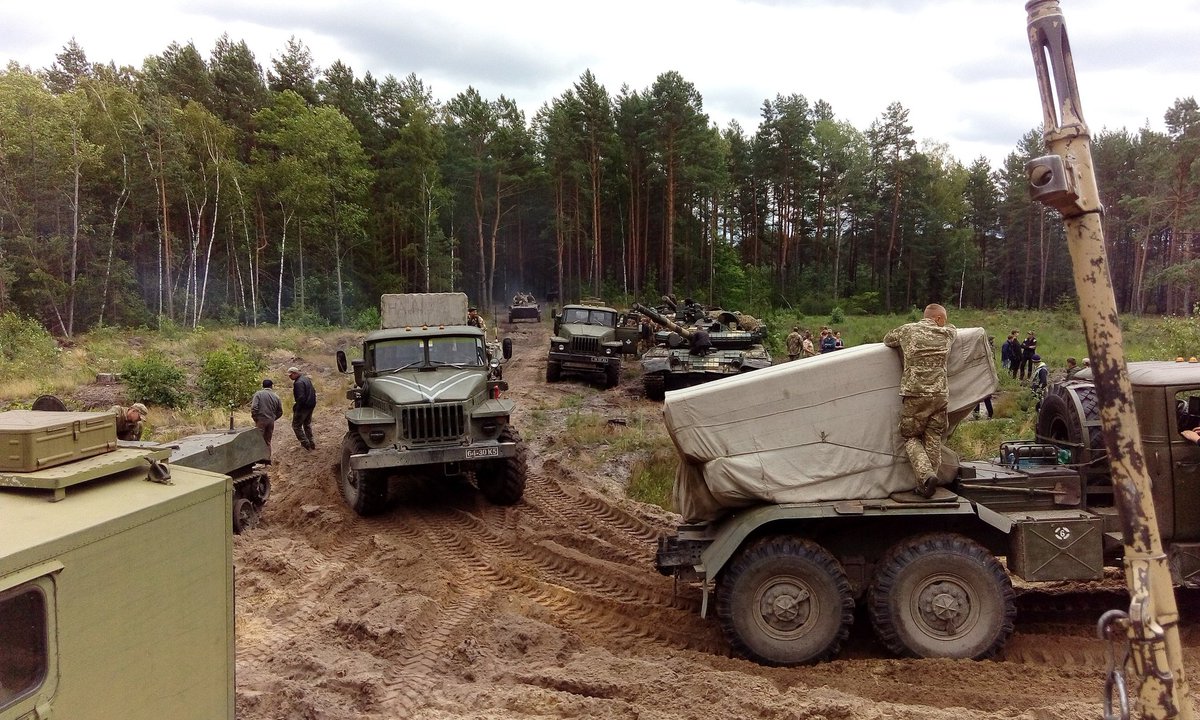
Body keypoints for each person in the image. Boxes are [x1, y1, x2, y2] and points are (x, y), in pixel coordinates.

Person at [884, 303, 957, 498]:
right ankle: (929, 483)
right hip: (940, 395)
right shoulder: (948, 334)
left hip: (916, 394)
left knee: (910, 436)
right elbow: (953, 329)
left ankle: (926, 476)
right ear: (940, 319)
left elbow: (887, 340)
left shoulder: (907, 330)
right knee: (933, 436)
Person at [250, 379, 284, 455]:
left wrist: (255, 418)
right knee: (268, 441)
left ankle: (257, 460)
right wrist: (273, 418)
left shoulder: (258, 394)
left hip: (261, 420)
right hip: (271, 420)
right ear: (271, 386)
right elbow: (280, 411)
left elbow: (254, 407)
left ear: (263, 385)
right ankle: (267, 461)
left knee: (258, 440)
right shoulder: (276, 396)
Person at [288, 366, 317, 450]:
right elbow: (313, 391)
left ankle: (305, 443)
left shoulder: (298, 383)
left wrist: (297, 408)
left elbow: (300, 397)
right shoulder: (306, 379)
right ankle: (311, 442)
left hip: (303, 407)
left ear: (295, 373)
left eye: (291, 375)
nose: (290, 377)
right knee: (307, 424)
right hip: (310, 405)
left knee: (296, 426)